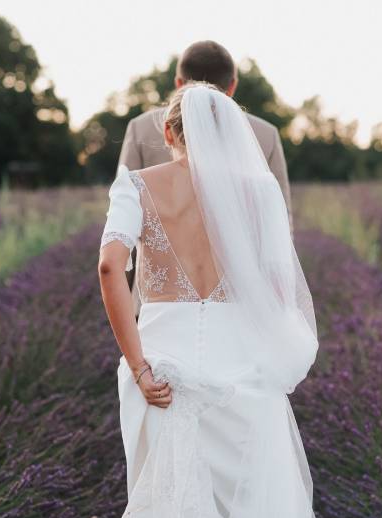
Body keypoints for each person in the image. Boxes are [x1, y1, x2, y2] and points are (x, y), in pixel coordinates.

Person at [98, 82, 325, 518]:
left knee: (183, 512)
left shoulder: (134, 185)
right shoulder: (260, 192)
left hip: (161, 364)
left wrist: (139, 367)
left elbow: (111, 265)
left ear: (166, 131)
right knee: (249, 512)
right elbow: (276, 287)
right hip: (239, 365)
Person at [119, 40, 293, 315]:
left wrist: (127, 300)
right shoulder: (265, 134)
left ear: (178, 82)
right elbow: (280, 228)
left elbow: (122, 226)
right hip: (239, 305)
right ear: (232, 85)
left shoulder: (141, 129)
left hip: (155, 308)